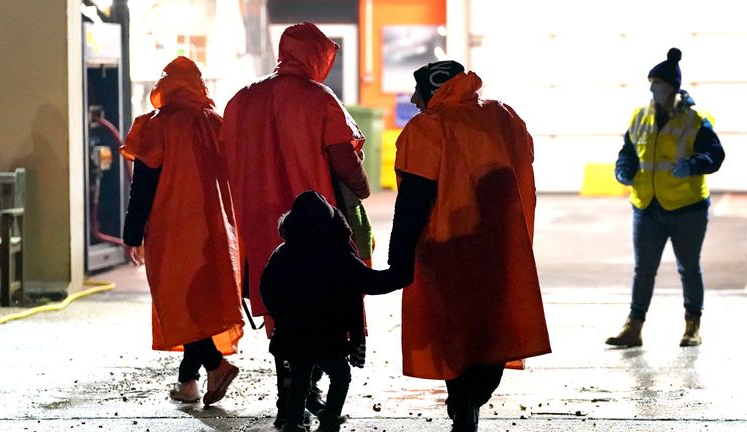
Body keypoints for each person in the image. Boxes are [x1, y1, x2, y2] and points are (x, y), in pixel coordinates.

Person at [386, 60, 551, 432]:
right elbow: (523, 160)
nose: (413, 99)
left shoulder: (429, 128)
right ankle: (471, 400)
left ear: (433, 89)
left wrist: (399, 261)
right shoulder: (504, 117)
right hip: (501, 248)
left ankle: (463, 403)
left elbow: (413, 200)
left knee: (455, 331)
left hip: (447, 247)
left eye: (418, 92)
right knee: (492, 330)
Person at [219, 22, 371, 426]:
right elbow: (344, 158)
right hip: (315, 227)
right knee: (322, 306)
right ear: (317, 56)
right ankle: (308, 390)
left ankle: (291, 391)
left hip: (258, 225)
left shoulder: (241, 100)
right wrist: (362, 188)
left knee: (280, 309)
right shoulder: (320, 99)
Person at [121, 56, 243, 405]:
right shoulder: (215, 123)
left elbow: (142, 186)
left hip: (172, 228)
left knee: (180, 302)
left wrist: (132, 235)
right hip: (217, 232)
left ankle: (216, 366)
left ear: (165, 87)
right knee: (200, 301)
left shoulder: (156, 126)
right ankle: (187, 382)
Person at [605, 48, 725, 348]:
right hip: (647, 207)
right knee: (643, 269)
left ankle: (692, 326)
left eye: (657, 84)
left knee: (689, 268)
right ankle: (634, 328)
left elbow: (716, 155)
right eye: (651, 83)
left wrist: (694, 165)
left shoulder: (695, 119)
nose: (652, 89)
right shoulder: (639, 116)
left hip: (687, 209)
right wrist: (623, 170)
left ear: (671, 88)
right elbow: (628, 153)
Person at [260, 191, 403, 432]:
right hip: (329, 335)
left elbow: (267, 289)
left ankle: (293, 423)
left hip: (293, 333)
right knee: (340, 375)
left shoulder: (283, 254)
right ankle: (330, 416)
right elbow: (371, 282)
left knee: (299, 380)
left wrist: (282, 316)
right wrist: (403, 274)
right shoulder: (339, 255)